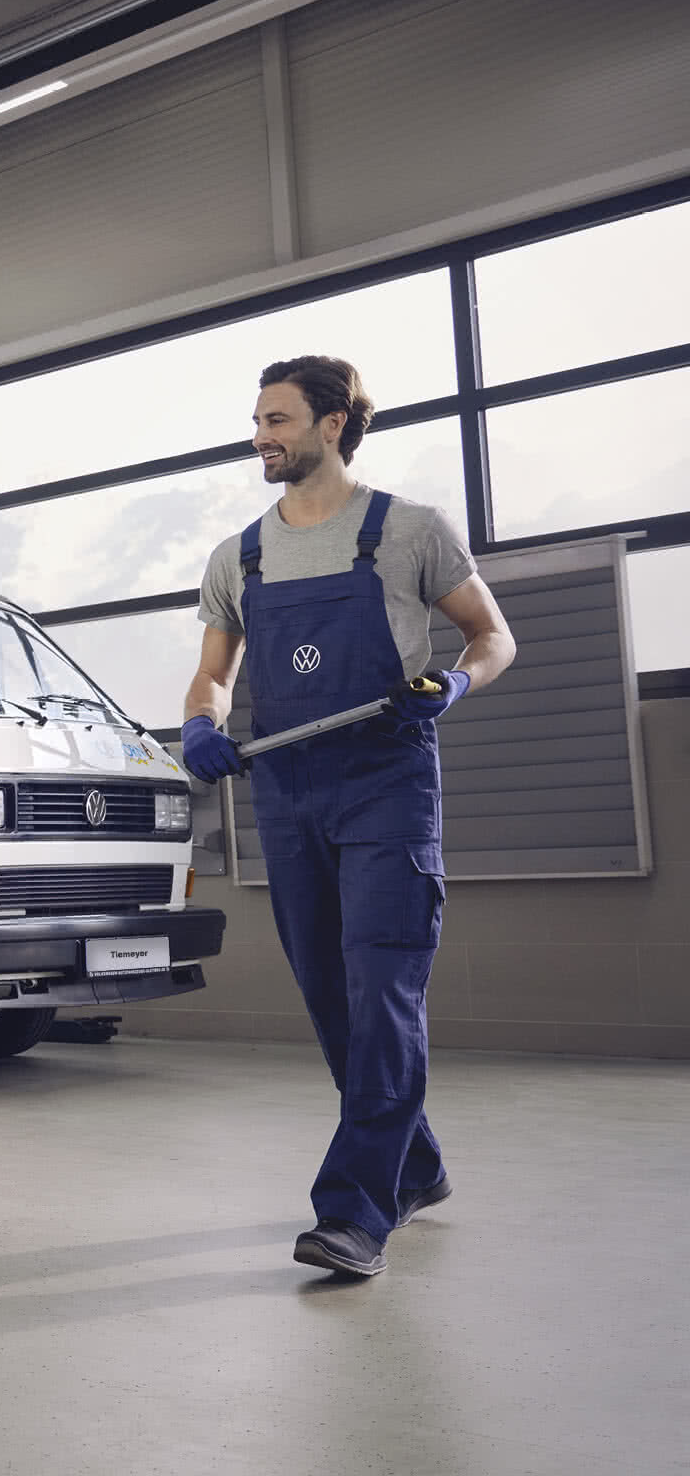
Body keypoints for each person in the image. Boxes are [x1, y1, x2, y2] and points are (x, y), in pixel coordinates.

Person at [179, 355, 516, 1278]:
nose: (261, 437)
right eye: (258, 421)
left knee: (382, 991)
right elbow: (212, 675)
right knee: (333, 999)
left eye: (277, 420)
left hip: (385, 785)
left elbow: (492, 635)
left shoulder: (409, 531)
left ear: (333, 424)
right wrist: (201, 723)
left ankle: (356, 1210)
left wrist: (455, 684)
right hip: (286, 793)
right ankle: (415, 1165)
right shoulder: (239, 556)